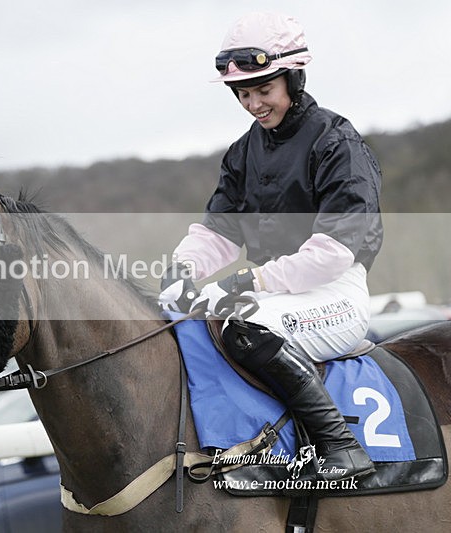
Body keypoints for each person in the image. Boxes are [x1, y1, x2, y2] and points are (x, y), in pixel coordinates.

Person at [159, 12, 383, 482]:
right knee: (178, 318)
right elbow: (218, 232)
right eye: (243, 94)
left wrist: (253, 279)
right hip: (275, 292)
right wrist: (182, 269)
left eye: (264, 90)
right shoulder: (243, 152)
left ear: (293, 78)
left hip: (335, 292)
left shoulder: (335, 140)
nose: (254, 104)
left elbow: (334, 252)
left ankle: (340, 447)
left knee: (244, 327)